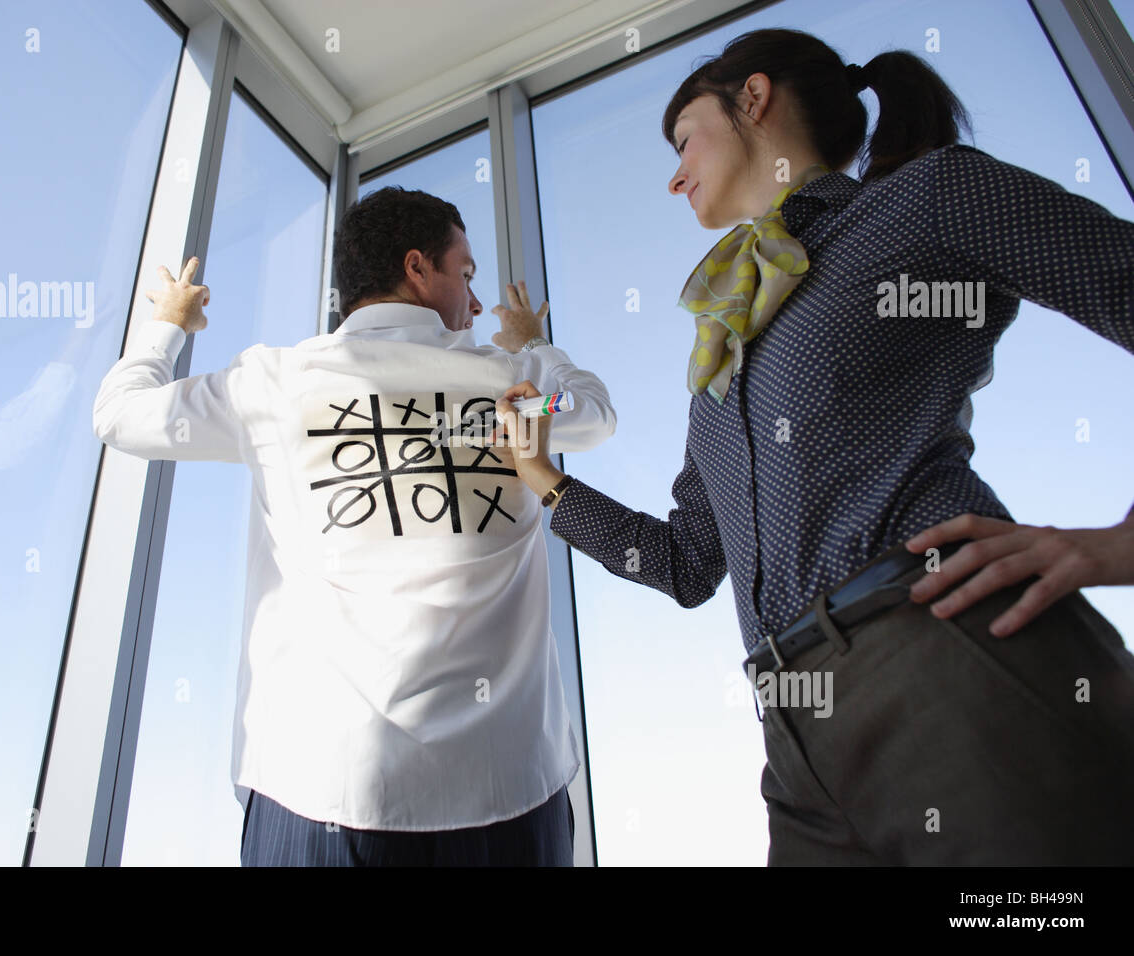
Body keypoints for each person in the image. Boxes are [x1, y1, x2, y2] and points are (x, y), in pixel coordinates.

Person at [495, 27, 1134, 865]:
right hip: (795, 744)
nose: (674, 173)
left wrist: (1122, 543)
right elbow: (687, 565)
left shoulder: (926, 199)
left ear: (752, 98)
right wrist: (541, 476)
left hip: (949, 665)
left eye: (685, 138)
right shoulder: (720, 357)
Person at [92, 186, 616, 866]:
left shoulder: (272, 386)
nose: (478, 303)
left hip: (318, 794)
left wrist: (169, 322)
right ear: (418, 269)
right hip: (510, 793)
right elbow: (594, 412)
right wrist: (534, 344)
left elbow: (119, 414)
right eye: (466, 274)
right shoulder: (506, 382)